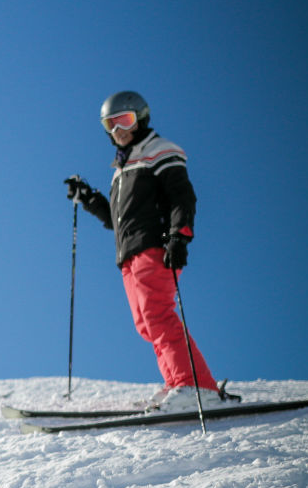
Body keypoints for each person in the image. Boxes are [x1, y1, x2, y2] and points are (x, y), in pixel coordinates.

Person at [65, 91, 237, 411]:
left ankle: (195, 385)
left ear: (141, 118)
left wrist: (179, 236)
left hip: (155, 245)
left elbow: (181, 196)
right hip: (130, 252)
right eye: (110, 125)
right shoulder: (122, 168)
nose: (119, 131)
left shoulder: (159, 151)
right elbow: (119, 221)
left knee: (158, 314)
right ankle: (178, 382)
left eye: (125, 121)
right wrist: (88, 198)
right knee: (147, 323)